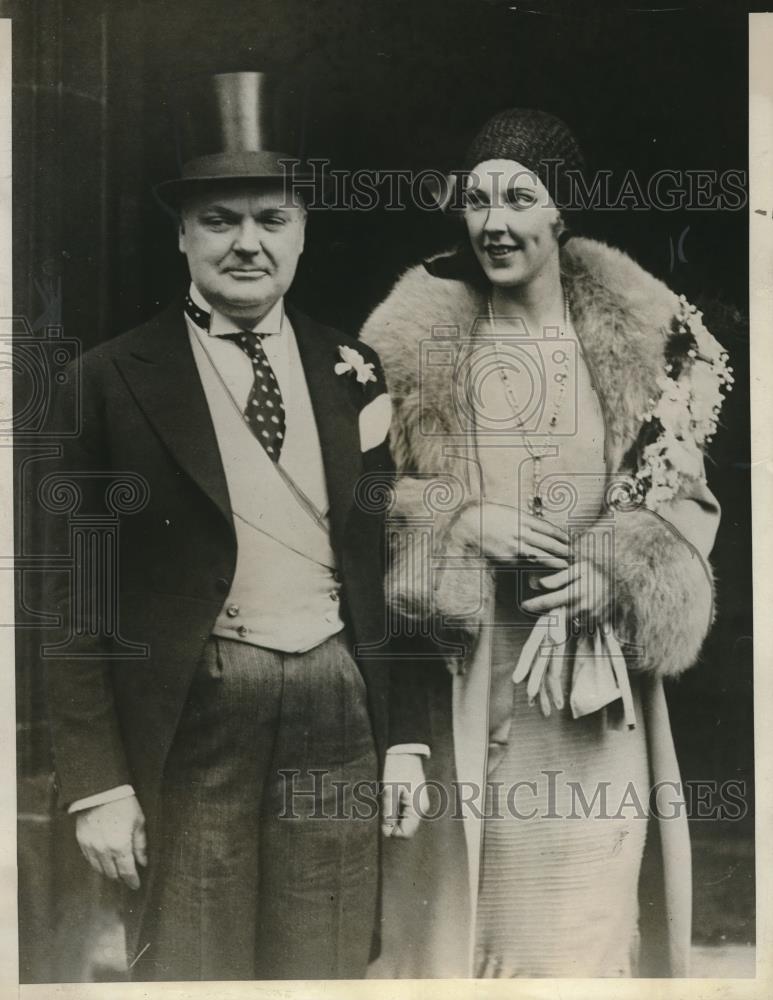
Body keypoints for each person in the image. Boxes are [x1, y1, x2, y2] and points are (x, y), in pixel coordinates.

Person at [43, 71, 428, 981]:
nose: (247, 243)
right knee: (193, 961)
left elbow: (387, 560)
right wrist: (99, 782)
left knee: (326, 958)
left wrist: (406, 736)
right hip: (190, 714)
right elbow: (69, 596)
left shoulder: (354, 367)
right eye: (219, 220)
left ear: (303, 231)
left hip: (337, 707)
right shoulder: (105, 380)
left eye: (271, 218)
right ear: (182, 234)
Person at [360, 108, 732, 978]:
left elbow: (684, 501)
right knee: (464, 933)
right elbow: (361, 502)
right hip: (465, 675)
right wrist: (454, 516)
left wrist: (616, 569)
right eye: (476, 199)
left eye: (519, 197)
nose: (494, 222)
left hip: (592, 689)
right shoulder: (408, 348)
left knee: (580, 936)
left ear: (561, 212)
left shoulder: (647, 344)